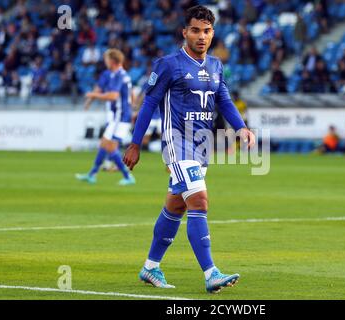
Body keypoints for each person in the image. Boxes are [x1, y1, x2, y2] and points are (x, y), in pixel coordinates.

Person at [123, 5, 255, 293]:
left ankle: (150, 267)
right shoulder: (169, 64)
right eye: (195, 30)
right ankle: (211, 273)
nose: (201, 36)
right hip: (177, 142)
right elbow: (148, 103)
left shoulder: (216, 66)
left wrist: (241, 127)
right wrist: (135, 142)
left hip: (202, 146)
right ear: (185, 32)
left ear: (213, 33)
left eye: (207, 31)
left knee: (176, 205)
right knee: (199, 201)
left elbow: (224, 101)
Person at [75, 49, 136, 186]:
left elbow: (113, 96)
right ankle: (92, 174)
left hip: (120, 117)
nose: (105, 62)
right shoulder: (120, 74)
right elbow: (131, 94)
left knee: (109, 146)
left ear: (112, 61)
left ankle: (127, 177)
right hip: (120, 115)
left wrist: (92, 96)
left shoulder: (119, 75)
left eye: (107, 60)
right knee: (104, 144)